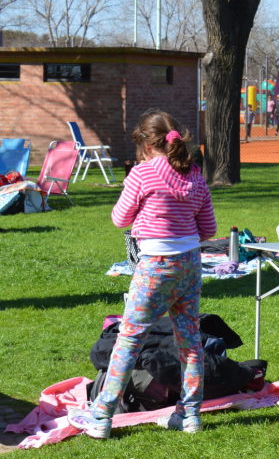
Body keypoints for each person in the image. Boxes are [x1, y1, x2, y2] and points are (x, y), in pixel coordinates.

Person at [68, 110, 217, 439]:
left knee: (129, 339)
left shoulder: (142, 174)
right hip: (190, 264)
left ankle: (102, 415)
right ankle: (189, 415)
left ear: (148, 146)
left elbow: (120, 218)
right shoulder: (195, 175)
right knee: (190, 342)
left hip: (155, 267)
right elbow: (209, 228)